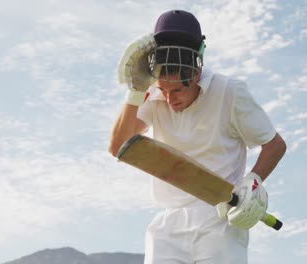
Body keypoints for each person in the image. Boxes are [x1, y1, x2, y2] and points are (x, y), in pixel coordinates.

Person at [109, 9, 286, 264]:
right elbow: (118, 147)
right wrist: (135, 93)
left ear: (196, 72)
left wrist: (252, 182)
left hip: (221, 220)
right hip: (169, 224)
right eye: (163, 89)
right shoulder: (153, 95)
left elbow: (274, 145)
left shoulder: (230, 91)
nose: (170, 99)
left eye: (179, 89)